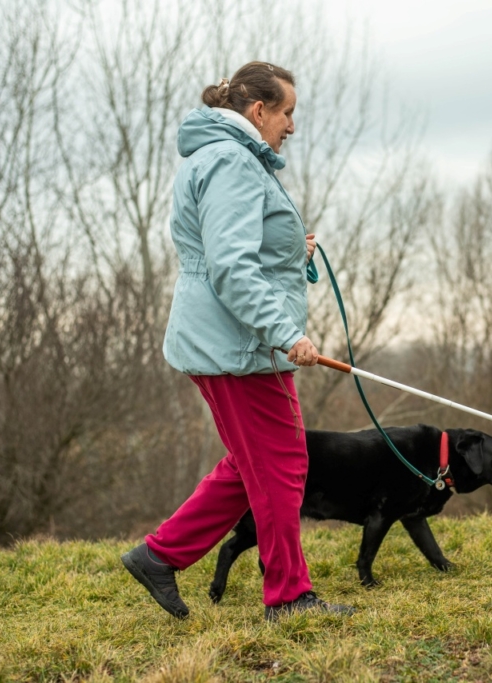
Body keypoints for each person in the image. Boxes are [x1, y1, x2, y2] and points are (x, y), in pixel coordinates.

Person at [121, 62, 353, 622]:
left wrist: (293, 249)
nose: (292, 126)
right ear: (258, 111)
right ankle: (290, 598)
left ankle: (158, 556)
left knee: (254, 463)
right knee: (282, 465)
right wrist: (286, 334)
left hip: (231, 342)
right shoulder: (231, 162)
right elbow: (230, 268)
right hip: (240, 346)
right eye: (288, 112)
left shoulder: (228, 157)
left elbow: (239, 249)